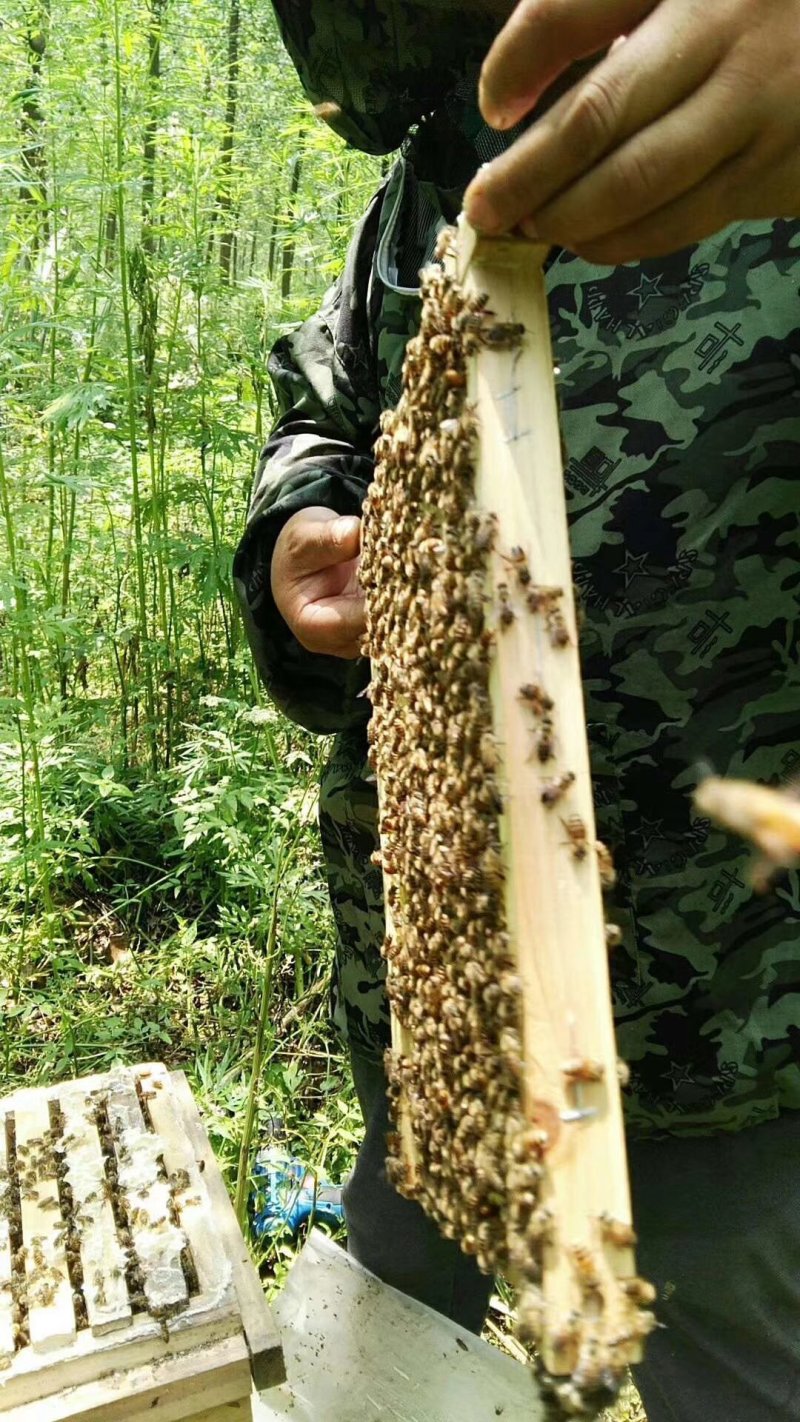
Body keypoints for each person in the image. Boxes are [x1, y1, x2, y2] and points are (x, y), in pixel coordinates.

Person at [234, 3, 800, 1417]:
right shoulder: (426, 186)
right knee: (398, 1350)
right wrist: (300, 523)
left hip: (721, 1033)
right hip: (427, 1017)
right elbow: (324, 394)